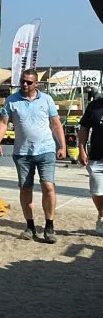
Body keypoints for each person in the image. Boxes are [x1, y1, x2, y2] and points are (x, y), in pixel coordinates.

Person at [0, 69, 66, 243]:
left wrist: (63, 146)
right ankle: (30, 226)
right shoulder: (12, 100)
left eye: (28, 82)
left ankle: (49, 226)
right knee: (26, 189)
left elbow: (56, 124)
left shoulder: (46, 99)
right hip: (22, 152)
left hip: (46, 150)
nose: (25, 84)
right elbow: (3, 122)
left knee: (48, 186)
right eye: (23, 81)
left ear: (36, 84)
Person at [78, 93, 103, 235]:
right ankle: (101, 215)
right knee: (97, 192)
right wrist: (81, 149)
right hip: (97, 158)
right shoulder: (94, 106)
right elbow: (84, 128)